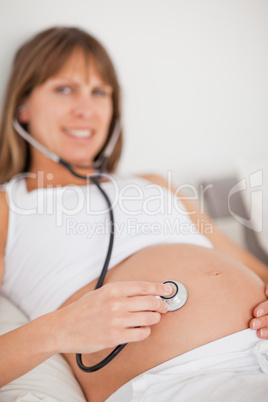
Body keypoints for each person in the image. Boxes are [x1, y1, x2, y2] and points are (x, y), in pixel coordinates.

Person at [0, 26, 268, 402]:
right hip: (182, 380)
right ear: (22, 107)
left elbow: (256, 270)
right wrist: (59, 330)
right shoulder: (8, 207)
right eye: (64, 88)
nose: (85, 108)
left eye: (99, 92)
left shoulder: (155, 184)